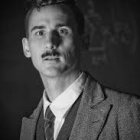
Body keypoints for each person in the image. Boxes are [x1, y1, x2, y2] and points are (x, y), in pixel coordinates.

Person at [20, 0, 140, 140]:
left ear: (84, 41)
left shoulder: (130, 110)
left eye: (62, 31)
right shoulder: (29, 125)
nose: (50, 43)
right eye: (40, 32)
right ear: (26, 47)